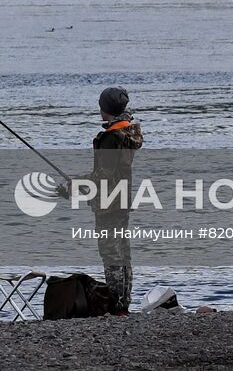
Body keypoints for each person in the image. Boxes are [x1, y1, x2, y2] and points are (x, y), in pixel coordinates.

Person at [80, 85, 144, 315]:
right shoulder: (128, 132)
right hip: (123, 199)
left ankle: (116, 306)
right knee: (123, 252)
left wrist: (74, 186)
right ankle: (124, 303)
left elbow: (103, 176)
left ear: (103, 108)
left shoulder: (111, 138)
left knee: (111, 254)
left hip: (108, 203)